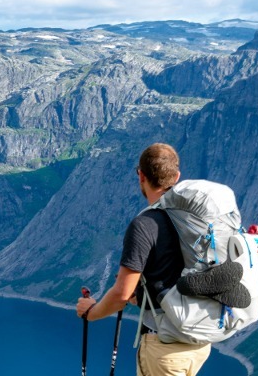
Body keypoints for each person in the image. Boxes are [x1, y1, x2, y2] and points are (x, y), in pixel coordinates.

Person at [76, 143, 211, 376]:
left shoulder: (145, 225)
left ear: (141, 176)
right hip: (199, 343)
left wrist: (91, 311)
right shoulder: (194, 219)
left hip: (165, 348)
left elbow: (120, 295)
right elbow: (177, 278)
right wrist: (140, 296)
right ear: (177, 176)